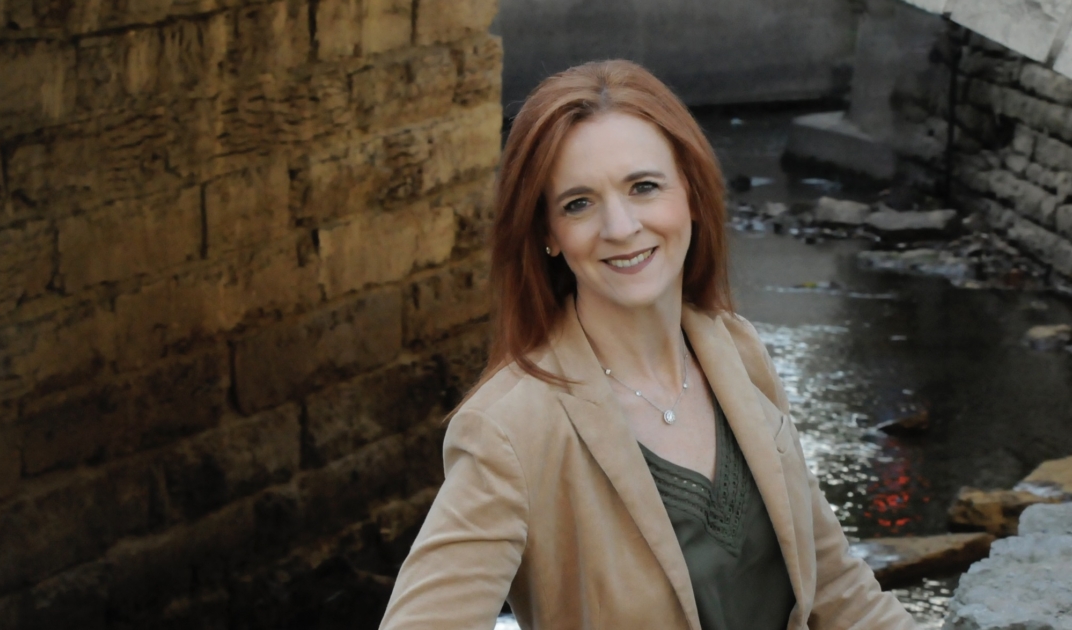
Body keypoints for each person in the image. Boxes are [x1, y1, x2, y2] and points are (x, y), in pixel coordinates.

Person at [380, 59, 916, 630]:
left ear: (689, 192)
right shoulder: (510, 429)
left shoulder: (736, 350)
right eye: (578, 203)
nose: (620, 227)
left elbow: (837, 586)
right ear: (547, 234)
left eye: (644, 187)